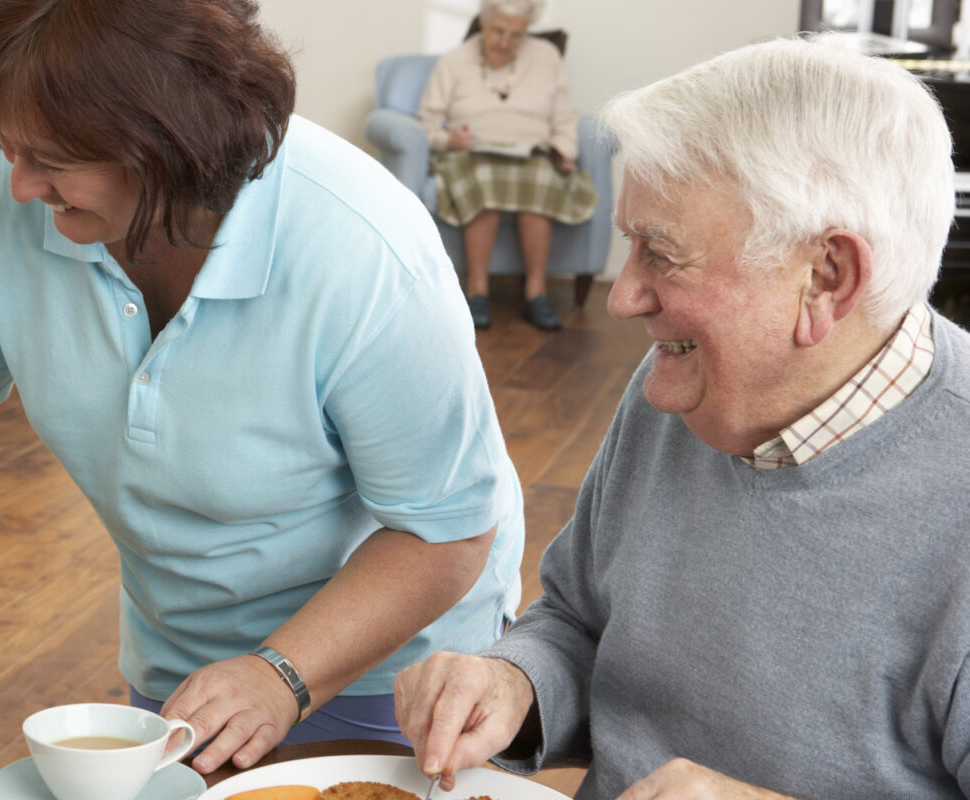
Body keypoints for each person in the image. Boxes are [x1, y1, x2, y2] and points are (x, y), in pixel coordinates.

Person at [0, 0, 524, 776]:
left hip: (392, 667)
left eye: (52, 159)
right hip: (186, 659)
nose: (19, 184)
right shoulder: (5, 198)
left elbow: (447, 532)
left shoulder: (364, 250)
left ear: (167, 143)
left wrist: (282, 675)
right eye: (5, 145)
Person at [393, 37, 970, 799]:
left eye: (660, 254)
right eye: (629, 246)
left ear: (826, 277)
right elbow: (578, 619)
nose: (621, 297)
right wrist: (515, 683)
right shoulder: (686, 382)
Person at [417, 0, 597, 331]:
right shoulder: (454, 60)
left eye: (516, 35)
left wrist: (564, 150)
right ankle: (477, 291)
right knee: (484, 178)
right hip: (471, 153)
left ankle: (536, 294)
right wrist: (449, 139)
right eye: (498, 31)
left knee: (542, 179)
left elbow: (563, 114)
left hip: (531, 152)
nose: (504, 42)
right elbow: (428, 122)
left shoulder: (546, 56)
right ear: (484, 24)